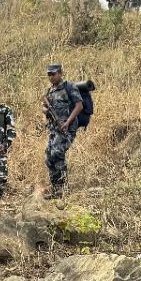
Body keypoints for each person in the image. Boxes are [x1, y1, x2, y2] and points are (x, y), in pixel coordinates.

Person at [41, 64, 84, 198]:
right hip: (54, 129)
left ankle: (63, 188)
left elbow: (79, 106)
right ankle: (55, 189)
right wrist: (46, 110)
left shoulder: (69, 87)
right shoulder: (50, 91)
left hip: (67, 128)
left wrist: (67, 122)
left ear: (60, 73)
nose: (51, 77)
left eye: (53, 74)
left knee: (57, 153)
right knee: (49, 156)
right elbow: (44, 108)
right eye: (49, 74)